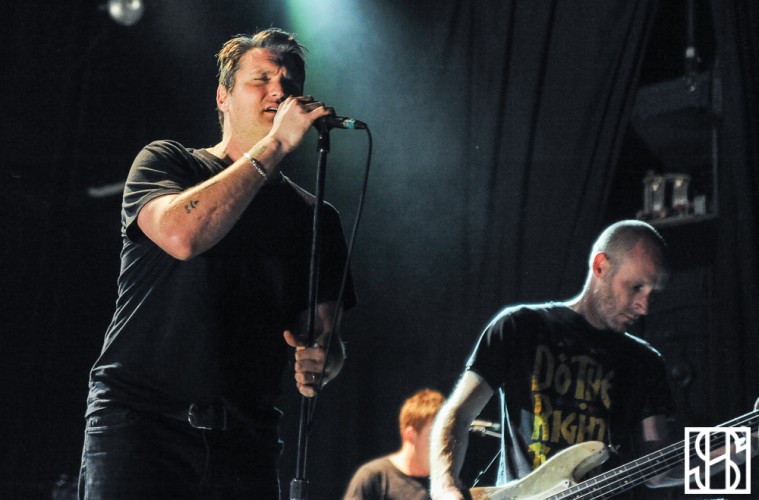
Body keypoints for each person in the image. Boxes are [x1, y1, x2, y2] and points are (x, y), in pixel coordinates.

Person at [78, 28, 356, 499]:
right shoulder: (168, 163)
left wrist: (324, 360)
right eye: (261, 79)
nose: (279, 91)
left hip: (245, 441)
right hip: (142, 427)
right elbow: (182, 236)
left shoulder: (316, 218)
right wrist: (275, 146)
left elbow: (321, 335)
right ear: (223, 96)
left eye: (289, 83)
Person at [429, 220, 679, 499]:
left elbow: (659, 470)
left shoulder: (645, 362)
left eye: (652, 293)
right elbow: (459, 414)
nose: (644, 307)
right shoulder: (520, 327)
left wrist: (718, 453)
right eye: (636, 287)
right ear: (601, 267)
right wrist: (445, 487)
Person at [343, 389, 446, 500]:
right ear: (410, 435)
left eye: (446, 436)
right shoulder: (374, 477)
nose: (444, 443)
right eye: (436, 435)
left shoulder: (449, 484)